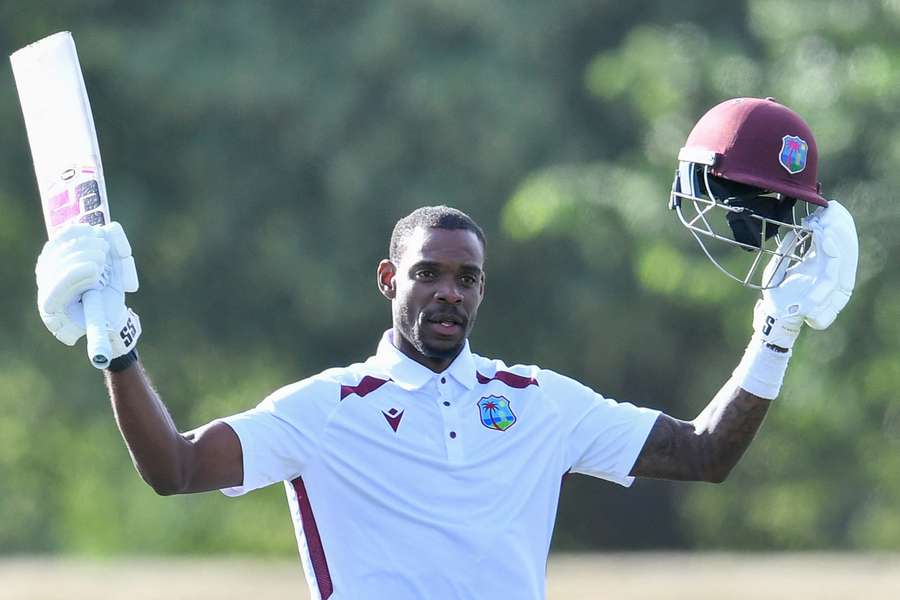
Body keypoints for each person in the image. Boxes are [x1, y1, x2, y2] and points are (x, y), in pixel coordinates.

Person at [34, 97, 857, 600]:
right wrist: (115, 346)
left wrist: (776, 330)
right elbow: (173, 469)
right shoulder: (326, 407)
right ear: (390, 278)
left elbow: (705, 453)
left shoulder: (538, 400)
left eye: (467, 279)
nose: (449, 293)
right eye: (429, 274)